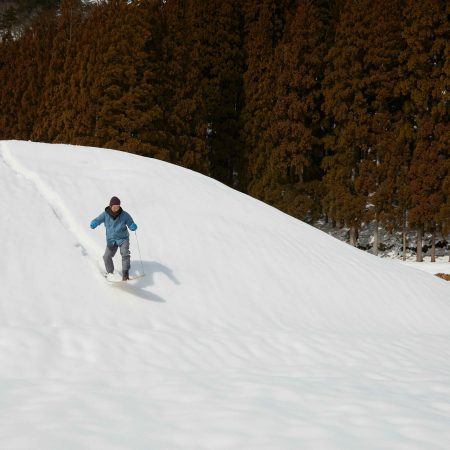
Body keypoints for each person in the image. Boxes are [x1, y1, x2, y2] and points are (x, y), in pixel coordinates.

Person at [90, 196, 138, 281]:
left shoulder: (124, 215)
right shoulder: (105, 214)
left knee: (125, 253)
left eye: (118, 207)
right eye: (114, 207)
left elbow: (130, 222)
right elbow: (98, 219)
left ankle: (125, 274)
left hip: (123, 239)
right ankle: (110, 273)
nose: (116, 208)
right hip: (111, 240)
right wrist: (94, 223)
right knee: (106, 256)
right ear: (110, 206)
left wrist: (132, 226)